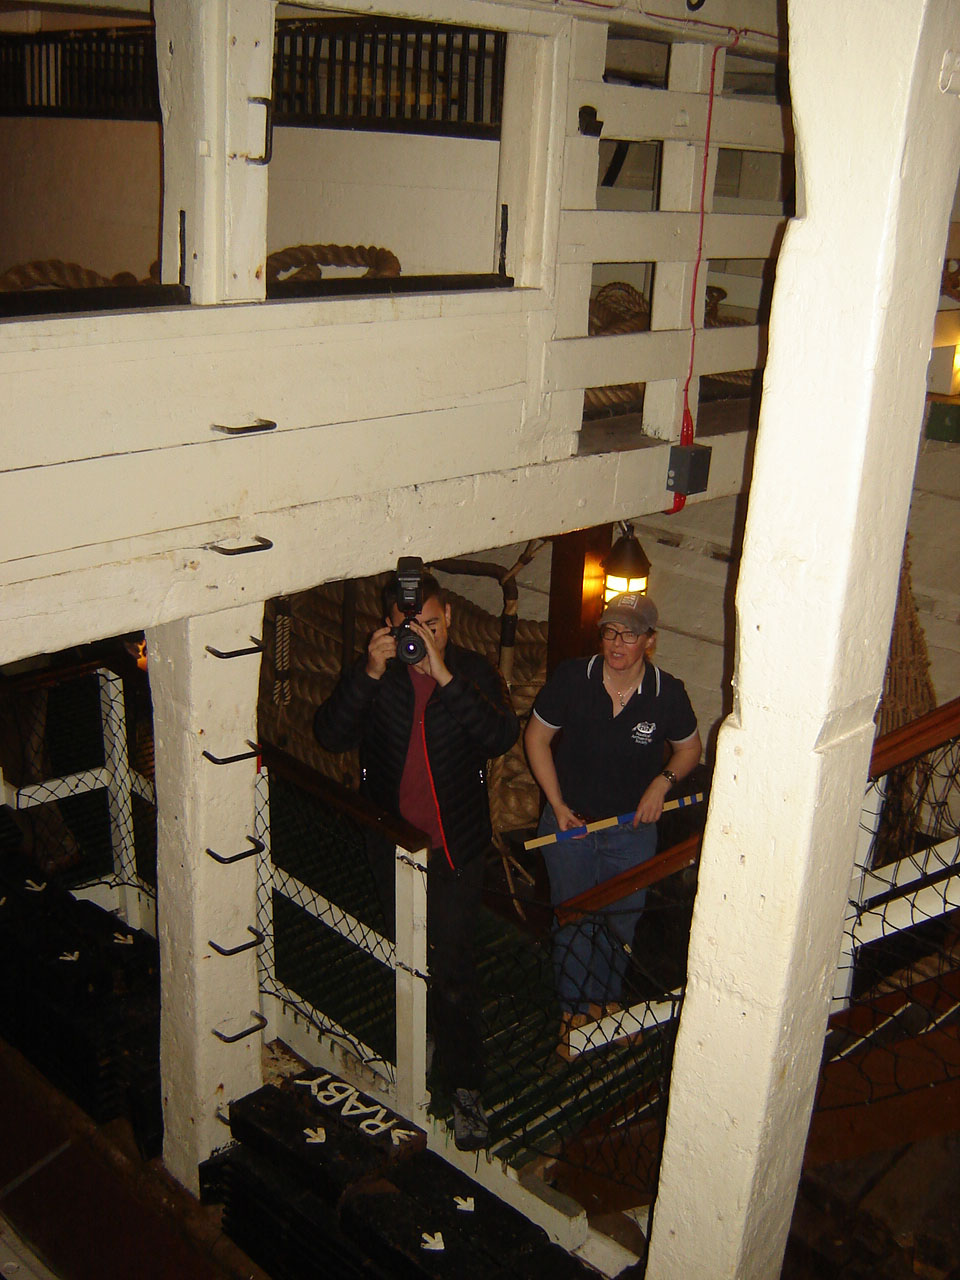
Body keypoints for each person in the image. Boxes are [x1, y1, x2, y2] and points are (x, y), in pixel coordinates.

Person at [314, 569, 518, 1149]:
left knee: (453, 968)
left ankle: (466, 1088)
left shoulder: (473, 671)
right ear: (389, 625)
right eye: (410, 628)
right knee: (407, 952)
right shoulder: (379, 676)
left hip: (456, 847)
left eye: (431, 624)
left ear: (448, 616)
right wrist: (370, 670)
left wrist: (445, 676)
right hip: (394, 845)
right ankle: (419, 1041)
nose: (422, 637)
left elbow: (500, 735)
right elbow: (329, 735)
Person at [524, 592, 701, 1053]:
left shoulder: (669, 693)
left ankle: (605, 1005)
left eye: (629, 634)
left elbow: (689, 750)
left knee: (620, 922)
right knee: (575, 921)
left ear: (650, 641)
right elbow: (537, 739)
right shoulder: (572, 678)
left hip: (631, 832)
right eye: (610, 631)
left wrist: (661, 785)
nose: (617, 642)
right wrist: (557, 805)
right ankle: (573, 1012)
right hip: (570, 827)